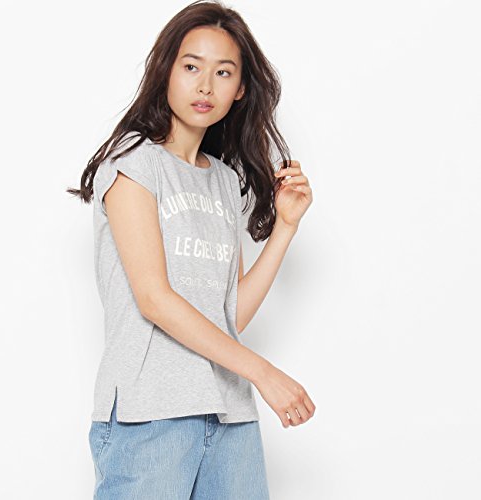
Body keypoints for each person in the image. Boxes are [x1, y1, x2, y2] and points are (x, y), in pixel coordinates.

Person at [67, 1, 315, 498]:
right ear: (166, 71)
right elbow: (154, 299)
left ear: (240, 88)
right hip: (149, 416)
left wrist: (285, 228)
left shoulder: (223, 180)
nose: (205, 86)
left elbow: (229, 314)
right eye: (191, 67)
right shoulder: (134, 164)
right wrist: (263, 372)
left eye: (223, 72)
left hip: (229, 415)